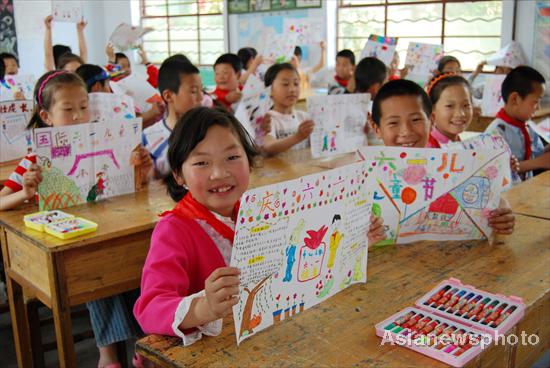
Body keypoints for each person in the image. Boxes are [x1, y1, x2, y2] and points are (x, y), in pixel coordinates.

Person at [134, 106, 259, 345]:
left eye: (232, 157)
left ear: (249, 162)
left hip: (255, 337)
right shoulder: (174, 230)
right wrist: (204, 308)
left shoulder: (258, 215)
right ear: (179, 176)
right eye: (202, 162)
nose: (219, 173)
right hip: (206, 352)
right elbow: (150, 308)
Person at [369, 79, 515, 234]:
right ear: (376, 128)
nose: (406, 131)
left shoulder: (450, 166)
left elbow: (486, 201)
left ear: (431, 120)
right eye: (393, 123)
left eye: (416, 120)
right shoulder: (367, 176)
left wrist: (500, 210)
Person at [485, 66, 549, 179]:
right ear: (515, 99)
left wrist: (546, 150)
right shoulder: (495, 133)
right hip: (506, 194)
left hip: (525, 190)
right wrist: (538, 162)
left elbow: (534, 155)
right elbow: (495, 171)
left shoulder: (527, 127)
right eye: (535, 102)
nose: (538, 107)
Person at [142, 59, 203, 178]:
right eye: (194, 91)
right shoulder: (148, 137)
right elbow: (148, 183)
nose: (201, 97)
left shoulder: (207, 131)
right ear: (168, 96)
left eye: (202, 90)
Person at [261, 63, 314, 156]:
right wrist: (297, 137)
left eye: (296, 83)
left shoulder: (304, 117)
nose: (292, 89)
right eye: (285, 84)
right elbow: (268, 147)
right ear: (269, 90)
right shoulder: (267, 120)